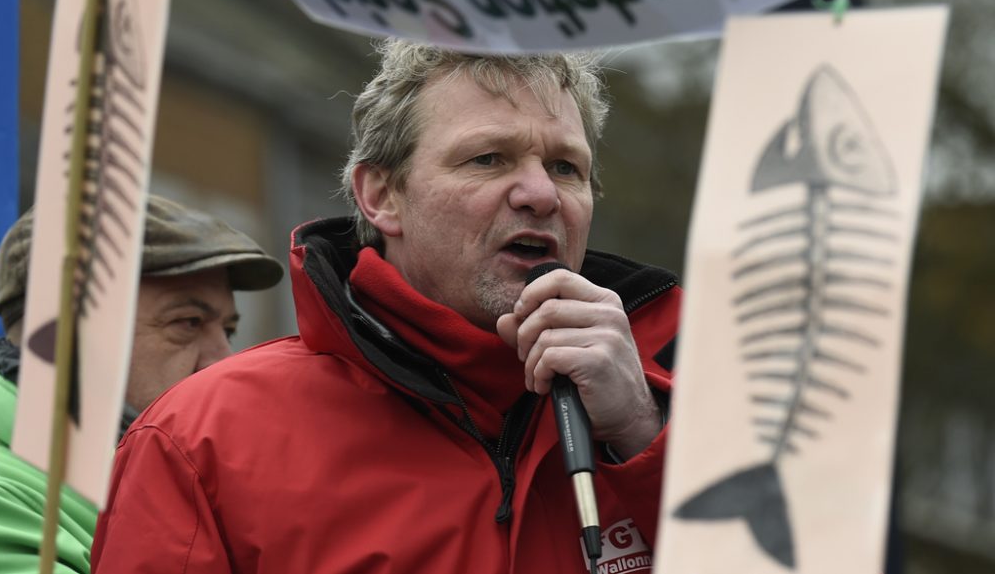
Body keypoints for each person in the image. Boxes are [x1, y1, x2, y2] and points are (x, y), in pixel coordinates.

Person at [90, 40, 682, 574]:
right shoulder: (201, 439)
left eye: (565, 167)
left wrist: (642, 436)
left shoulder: (697, 411)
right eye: (488, 159)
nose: (541, 194)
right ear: (381, 196)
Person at [0, 193, 284, 574]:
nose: (223, 360)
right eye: (188, 322)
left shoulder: (172, 473)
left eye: (228, 331)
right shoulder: (6, 494)